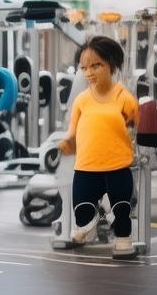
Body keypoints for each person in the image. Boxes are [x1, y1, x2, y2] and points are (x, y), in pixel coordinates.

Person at [58, 36, 139, 257]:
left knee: (121, 208)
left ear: (111, 64)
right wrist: (66, 142)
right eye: (84, 68)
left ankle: (123, 240)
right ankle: (87, 228)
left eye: (96, 66)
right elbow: (73, 130)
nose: (89, 73)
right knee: (82, 211)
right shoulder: (81, 100)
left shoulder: (123, 97)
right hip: (86, 166)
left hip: (116, 165)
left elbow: (138, 124)